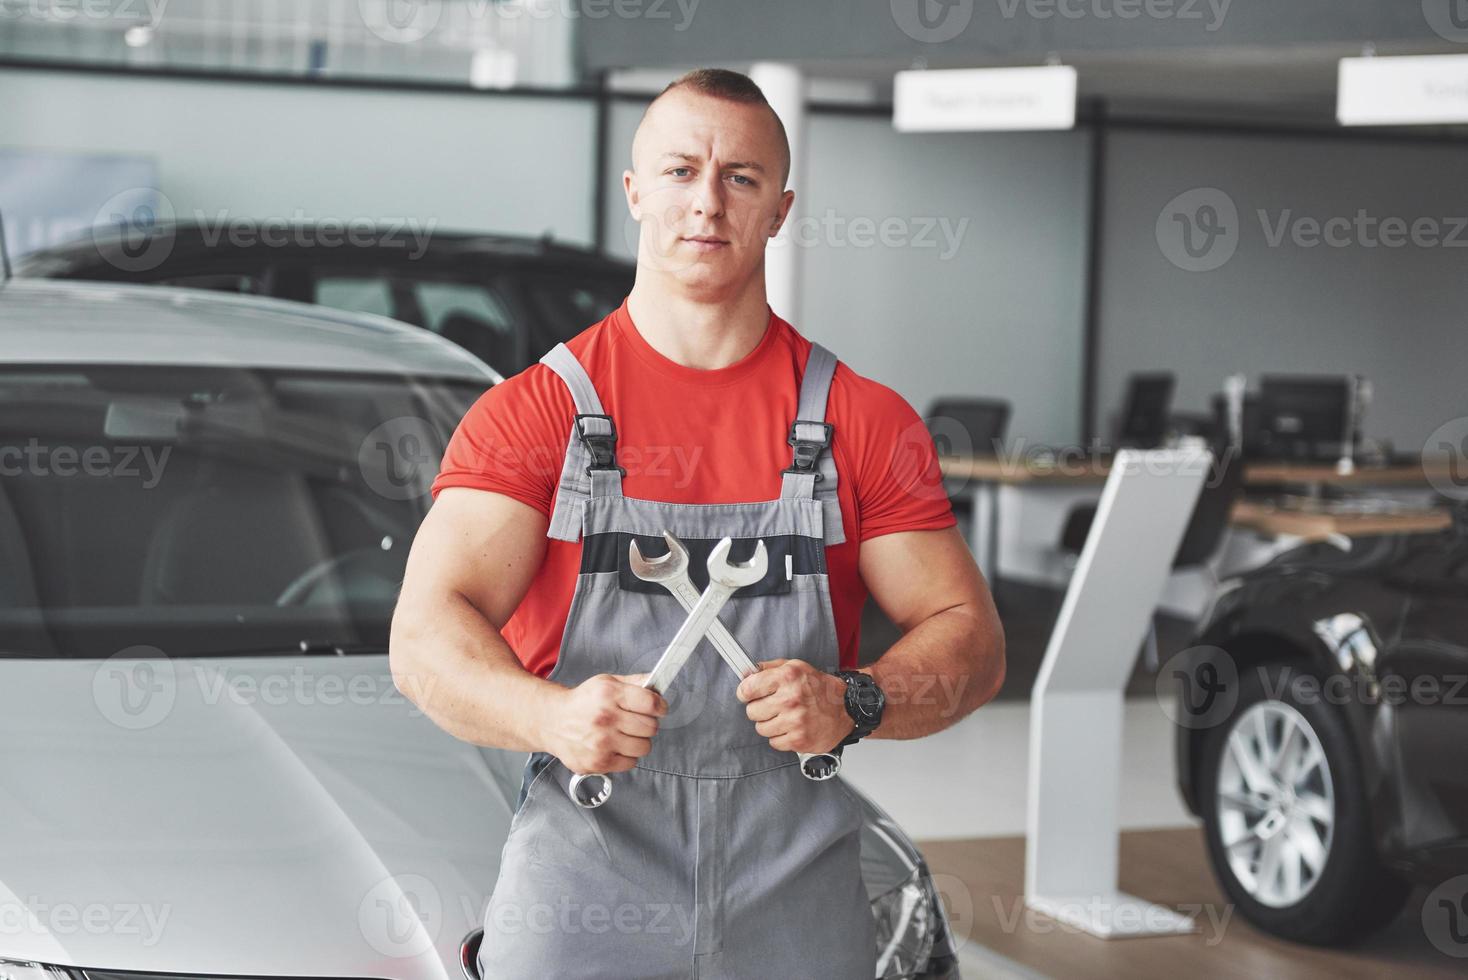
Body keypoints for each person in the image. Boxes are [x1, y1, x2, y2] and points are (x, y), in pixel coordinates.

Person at [390, 67, 1005, 979]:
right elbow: (423, 638)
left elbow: (973, 641)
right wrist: (552, 717)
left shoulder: (862, 422)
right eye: (680, 172)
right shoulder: (537, 415)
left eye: (741, 178)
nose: (707, 204)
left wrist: (854, 700)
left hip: (795, 875)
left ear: (780, 209)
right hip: (587, 866)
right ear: (636, 191)